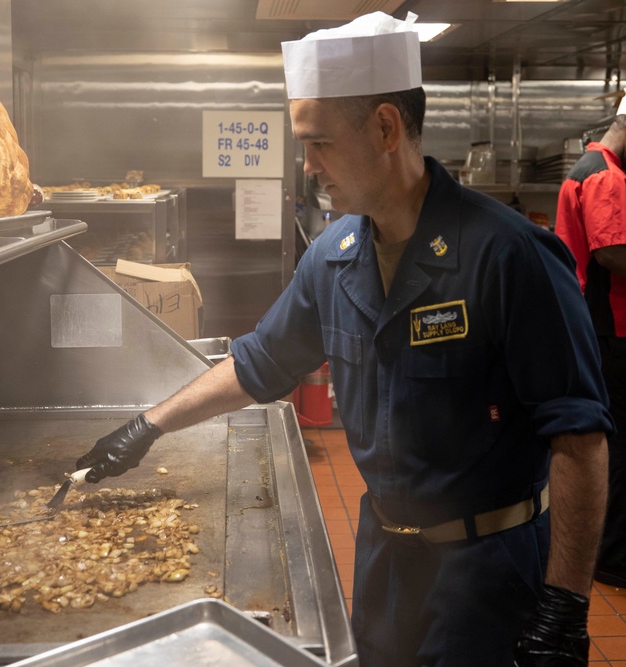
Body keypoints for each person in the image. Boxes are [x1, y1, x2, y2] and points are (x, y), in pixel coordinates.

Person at [75, 11, 612, 667]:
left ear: (386, 127)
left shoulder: (510, 256)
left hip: (489, 575)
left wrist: (563, 610)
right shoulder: (335, 256)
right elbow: (259, 362)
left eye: (320, 143)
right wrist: (146, 426)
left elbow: (580, 441)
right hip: (385, 566)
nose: (308, 166)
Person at [555, 106, 626, 589]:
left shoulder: (589, 166)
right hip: (611, 329)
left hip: (594, 326)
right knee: (619, 446)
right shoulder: (606, 177)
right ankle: (615, 557)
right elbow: (612, 253)